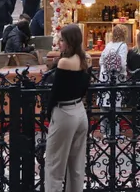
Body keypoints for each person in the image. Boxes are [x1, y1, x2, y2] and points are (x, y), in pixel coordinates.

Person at [44, 24, 90, 192]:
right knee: (76, 166)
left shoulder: (64, 62)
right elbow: (85, 87)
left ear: (70, 42)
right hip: (80, 112)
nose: (59, 43)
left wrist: (49, 113)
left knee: (54, 165)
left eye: (62, 40)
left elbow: (56, 92)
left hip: (65, 112)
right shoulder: (84, 59)